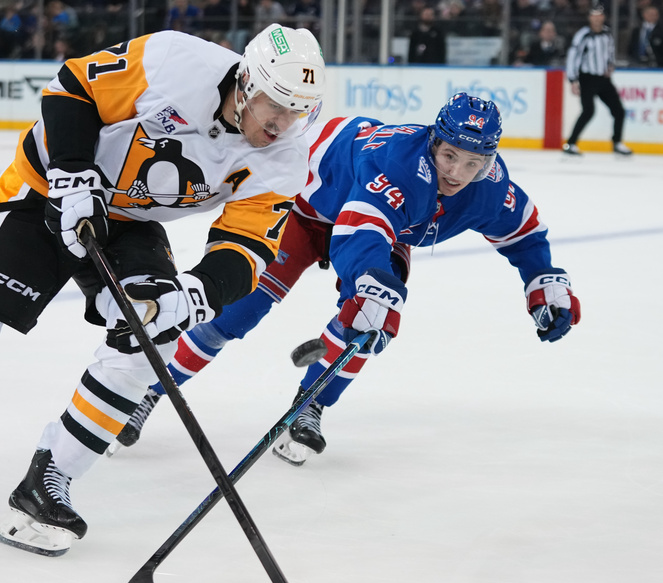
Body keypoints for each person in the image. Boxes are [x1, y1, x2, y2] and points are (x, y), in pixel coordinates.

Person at [0, 24, 327, 563]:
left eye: (297, 113)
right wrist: (73, 174)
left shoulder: (283, 156)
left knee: (151, 334)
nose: (282, 125)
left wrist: (198, 292)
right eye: (274, 106)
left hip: (128, 222)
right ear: (246, 81)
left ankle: (48, 482)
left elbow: (248, 248)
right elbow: (73, 87)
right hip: (46, 185)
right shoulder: (175, 61)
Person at [112, 93, 582, 465]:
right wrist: (369, 279)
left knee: (374, 321)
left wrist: (542, 280)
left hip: (384, 225)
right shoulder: (400, 164)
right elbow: (358, 230)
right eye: (449, 156)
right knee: (239, 308)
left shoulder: (490, 189)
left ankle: (309, 406)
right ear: (434, 142)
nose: (457, 173)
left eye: (472, 164)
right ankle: (150, 391)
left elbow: (524, 234)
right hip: (307, 205)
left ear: (490, 162)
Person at [563, 6, 631, 156]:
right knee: (588, 111)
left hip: (603, 78)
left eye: (599, 15)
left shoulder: (607, 34)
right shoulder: (583, 35)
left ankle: (617, 143)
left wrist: (610, 65)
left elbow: (610, 52)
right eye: (593, 16)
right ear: (589, 18)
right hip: (587, 78)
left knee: (619, 111)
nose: (597, 19)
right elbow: (573, 57)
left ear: (603, 17)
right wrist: (573, 79)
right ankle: (571, 143)